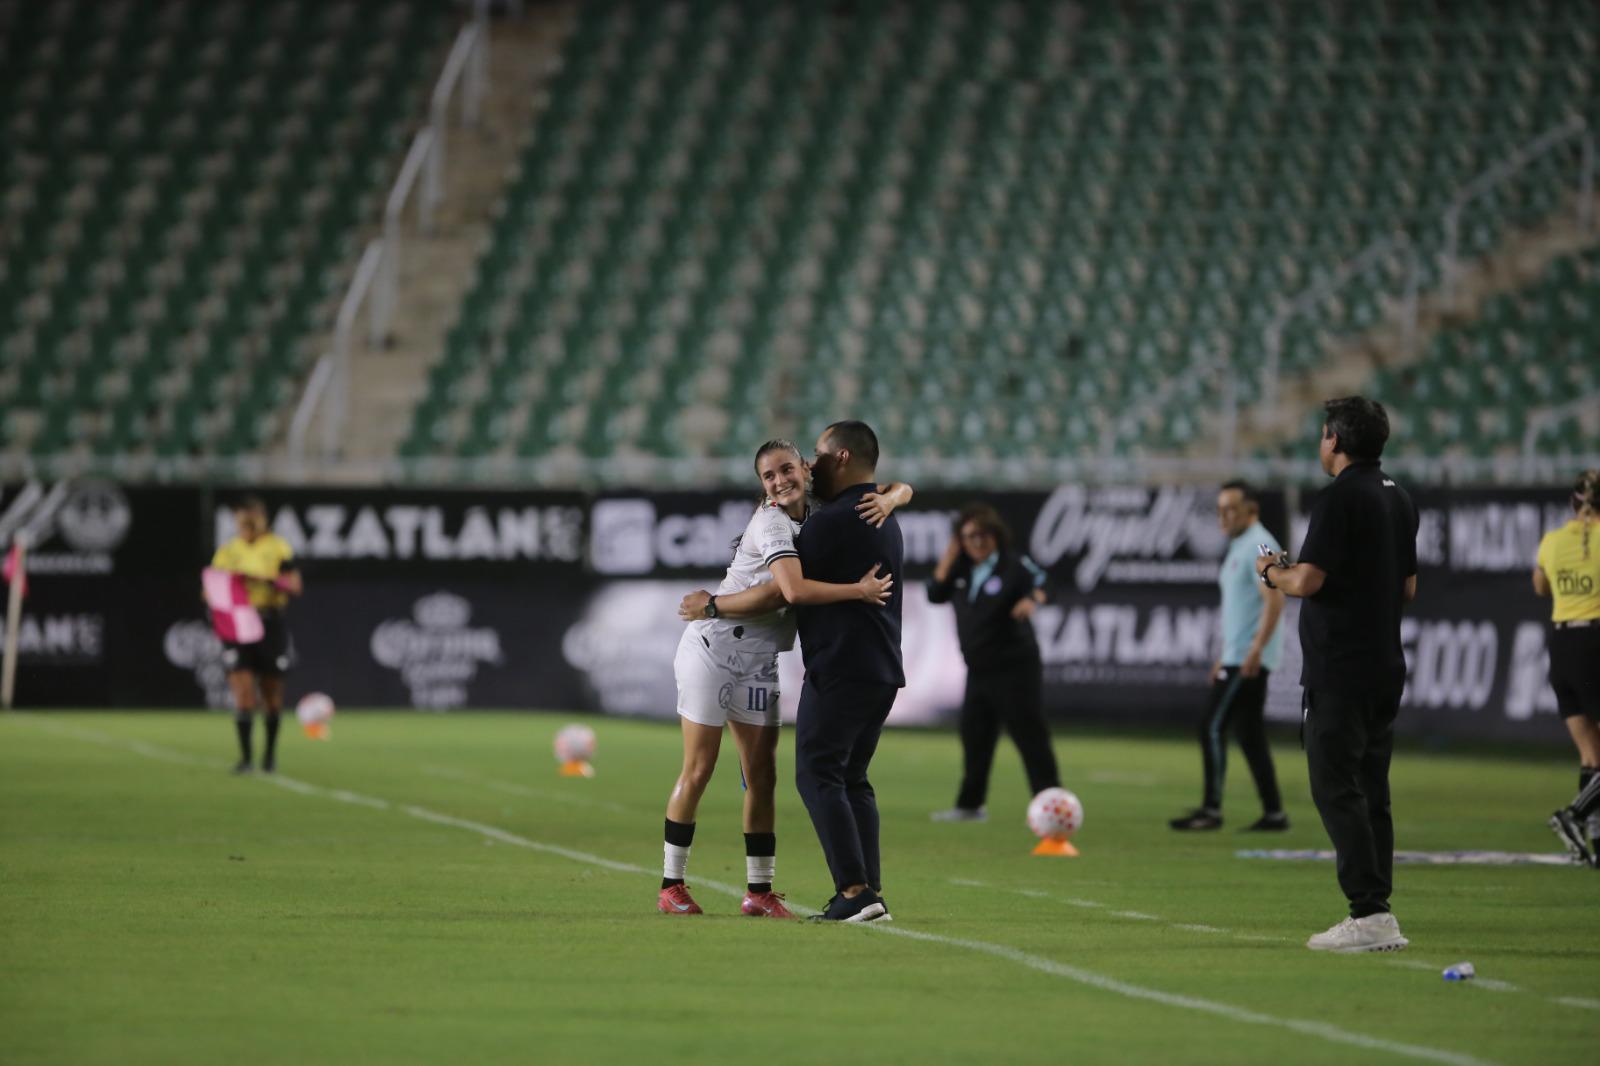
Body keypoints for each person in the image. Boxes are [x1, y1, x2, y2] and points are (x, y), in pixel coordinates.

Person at [664, 439, 912, 917]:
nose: (779, 481)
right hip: (714, 650)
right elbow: (790, 592)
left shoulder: (820, 506)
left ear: (805, 468)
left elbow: (900, 485)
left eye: (785, 470)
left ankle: (758, 892)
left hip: (759, 659)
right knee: (699, 769)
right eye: (767, 476)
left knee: (763, 776)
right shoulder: (772, 520)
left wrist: (892, 497)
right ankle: (671, 883)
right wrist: (858, 590)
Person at [1255, 397, 1417, 953]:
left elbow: (1308, 582)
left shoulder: (1339, 499)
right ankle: (1379, 910)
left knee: (1334, 786)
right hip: (1384, 664)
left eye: (1323, 435)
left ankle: (1368, 914)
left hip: (1341, 668)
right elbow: (1409, 587)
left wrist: (1272, 571)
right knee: (1372, 790)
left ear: (1335, 440)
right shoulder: (1400, 498)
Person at [787, 420, 904, 922]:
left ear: (841, 457)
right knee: (852, 778)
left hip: (841, 666)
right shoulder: (881, 512)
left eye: (817, 453)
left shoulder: (834, 520)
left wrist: (717, 605)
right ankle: (869, 890)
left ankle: (854, 890)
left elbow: (785, 584)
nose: (810, 465)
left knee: (818, 773)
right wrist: (898, 494)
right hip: (880, 669)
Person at [925, 502, 1061, 823]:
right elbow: (934, 593)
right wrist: (948, 555)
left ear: (995, 536)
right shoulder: (960, 570)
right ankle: (970, 806)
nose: (976, 542)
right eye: (968, 537)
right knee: (975, 736)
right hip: (979, 669)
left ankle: (1053, 804)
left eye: (982, 536)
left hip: (1015, 666)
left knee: (1029, 736)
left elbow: (1046, 584)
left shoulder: (1013, 565)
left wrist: (1032, 599)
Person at [1169, 481, 1289, 832]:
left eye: (1230, 509)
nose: (1222, 516)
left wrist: (1254, 649)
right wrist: (1225, 654)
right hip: (1237, 654)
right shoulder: (1240, 546)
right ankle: (1274, 813)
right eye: (1219, 509)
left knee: (1211, 725)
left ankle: (1211, 810)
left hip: (1248, 657)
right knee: (1249, 736)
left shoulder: (1261, 544)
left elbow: (1276, 599)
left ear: (1252, 510)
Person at [1536, 469, 1600, 868]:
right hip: (1597, 641)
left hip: (1562, 645)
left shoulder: (1553, 540)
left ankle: (1591, 845)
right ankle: (1573, 815)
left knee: (1592, 757)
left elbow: (1541, 586)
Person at [210, 496, 301, 774]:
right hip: (238, 623)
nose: (247, 522)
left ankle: (269, 757)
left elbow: (295, 586)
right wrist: (228, 586)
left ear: (263, 518)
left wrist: (267, 580)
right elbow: (210, 588)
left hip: (268, 621)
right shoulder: (227, 551)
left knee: (272, 695)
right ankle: (246, 758)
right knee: (244, 692)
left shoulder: (278, 548)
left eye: (253, 516)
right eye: (242, 517)